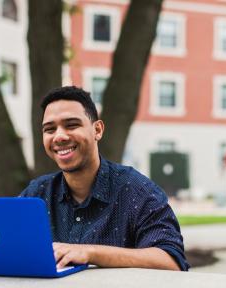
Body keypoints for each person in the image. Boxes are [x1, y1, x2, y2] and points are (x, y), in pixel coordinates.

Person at [20, 86, 189, 271]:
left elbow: (171, 261)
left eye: (71, 125)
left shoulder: (137, 190)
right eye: (49, 129)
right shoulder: (36, 193)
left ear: (97, 130)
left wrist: (90, 253)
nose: (59, 136)